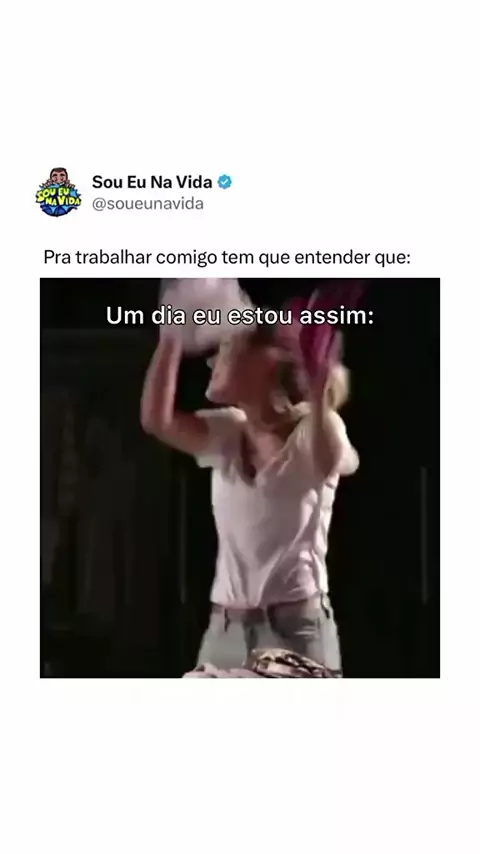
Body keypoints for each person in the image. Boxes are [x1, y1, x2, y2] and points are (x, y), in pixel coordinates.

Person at [140, 319, 359, 672]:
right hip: (224, 631)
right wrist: (172, 333)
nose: (211, 360)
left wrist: (317, 392)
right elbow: (157, 420)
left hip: (295, 632)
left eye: (226, 349)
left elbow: (326, 460)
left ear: (266, 361)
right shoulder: (228, 431)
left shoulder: (315, 427)